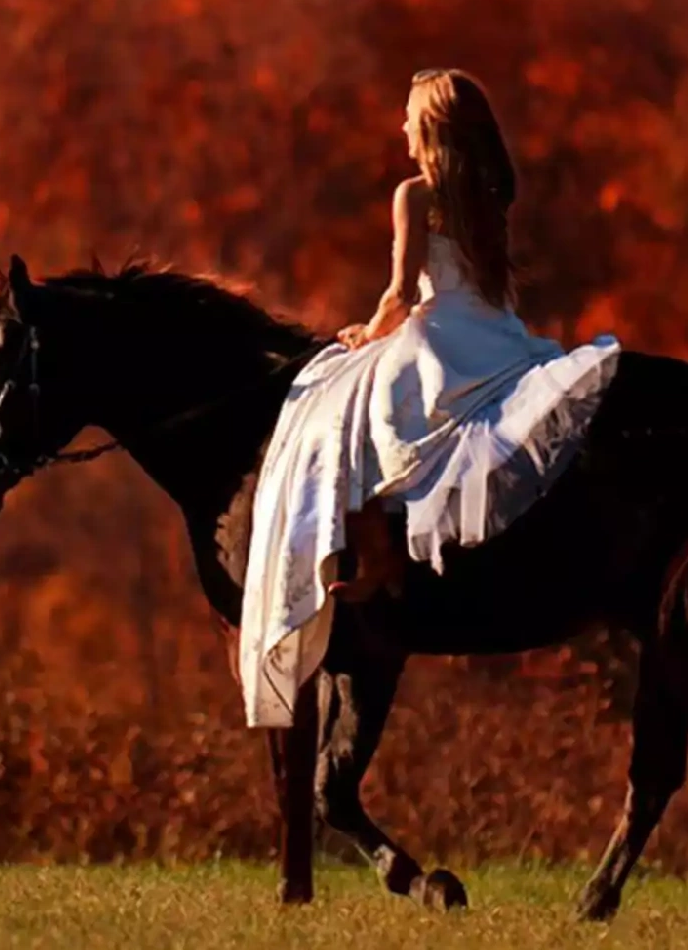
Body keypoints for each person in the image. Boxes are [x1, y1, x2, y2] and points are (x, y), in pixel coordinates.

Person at [238, 68, 620, 728]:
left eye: (409, 117)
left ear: (430, 128)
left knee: (344, 404)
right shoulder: (491, 190)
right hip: (495, 332)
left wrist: (366, 333)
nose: (402, 127)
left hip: (438, 334)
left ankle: (375, 554)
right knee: (394, 415)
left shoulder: (415, 194)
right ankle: (390, 551)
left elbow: (399, 292)